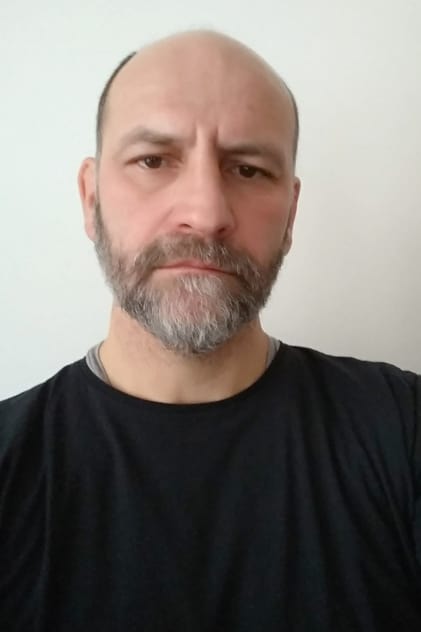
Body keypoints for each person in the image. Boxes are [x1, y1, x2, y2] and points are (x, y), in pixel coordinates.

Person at [0, 29, 420, 632]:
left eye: (248, 169)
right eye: (153, 160)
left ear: (291, 214)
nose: (206, 213)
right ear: (91, 198)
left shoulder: (403, 431)